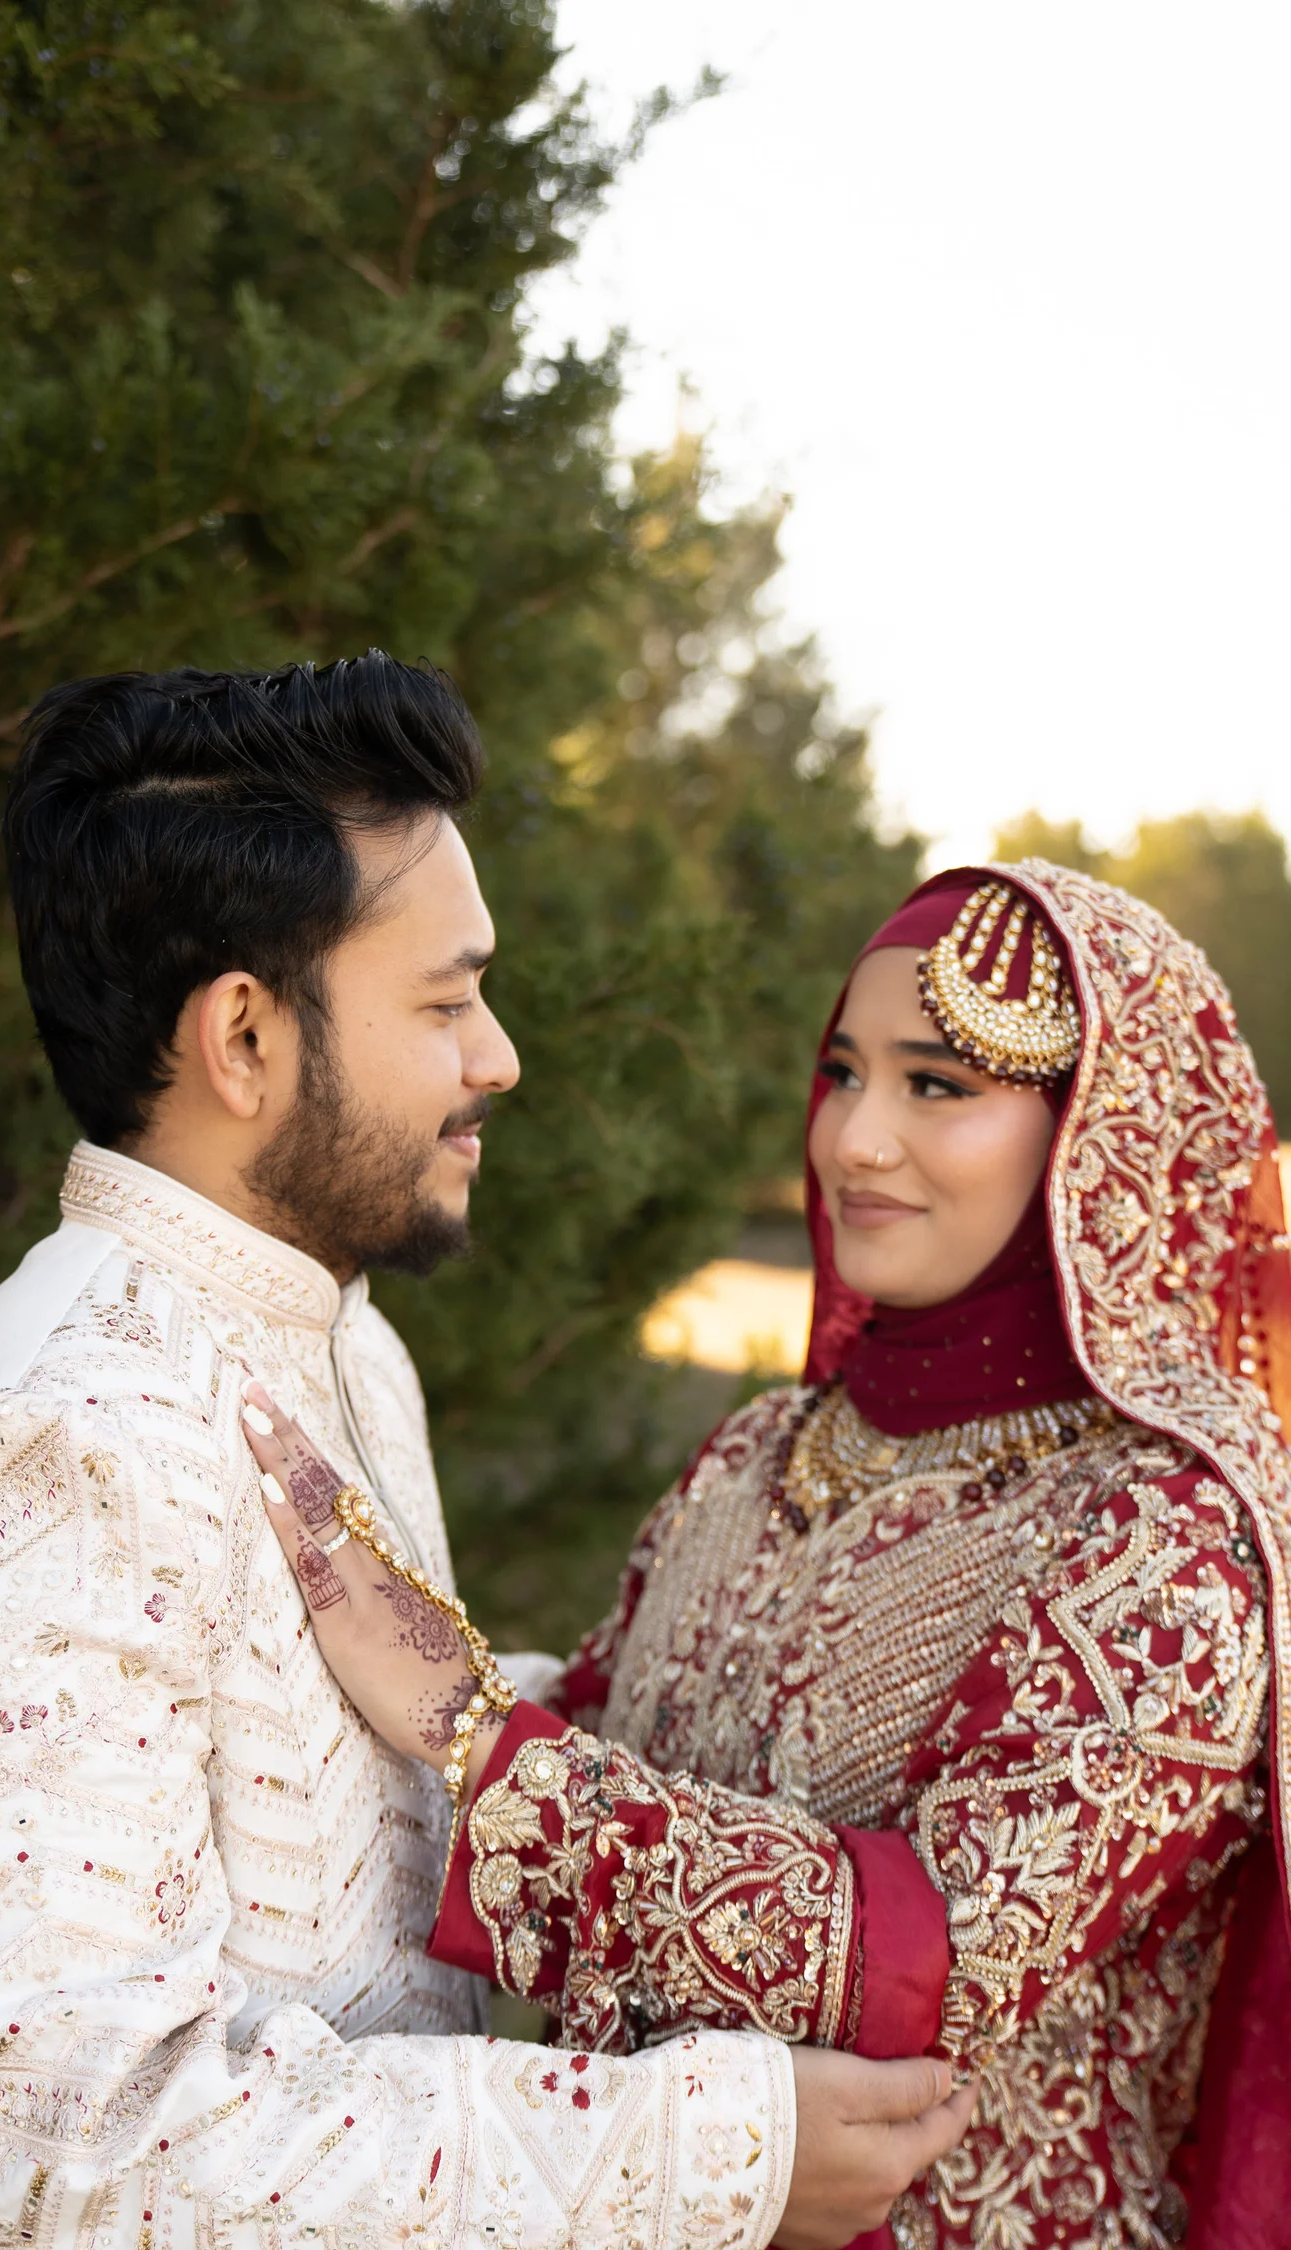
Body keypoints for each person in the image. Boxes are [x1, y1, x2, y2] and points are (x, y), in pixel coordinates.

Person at [0, 658, 971, 2250]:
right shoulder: (41, 1443)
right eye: (443, 1002)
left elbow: (366, 1812)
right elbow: (84, 2151)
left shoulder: (343, 1342)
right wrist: (706, 2154)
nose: (499, 1056)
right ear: (244, 1037)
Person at [248, 860, 1291, 2250]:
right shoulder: (760, 1452)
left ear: (1104, 1141)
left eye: (937, 1086)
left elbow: (951, 1956)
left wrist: (468, 1724)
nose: (855, 1139)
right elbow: (605, 1734)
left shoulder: (1171, 1533)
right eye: (843, 1074)